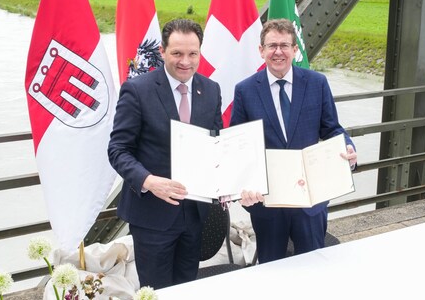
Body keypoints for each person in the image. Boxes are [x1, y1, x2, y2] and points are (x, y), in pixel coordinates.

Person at [108, 18, 261, 289]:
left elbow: (216, 146)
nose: (185, 61)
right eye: (177, 53)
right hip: (152, 217)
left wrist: (231, 180)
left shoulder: (211, 90)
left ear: (200, 52)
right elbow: (118, 149)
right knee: (156, 292)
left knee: (188, 288)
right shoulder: (138, 89)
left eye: (193, 53)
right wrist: (148, 181)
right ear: (163, 51)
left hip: (195, 215)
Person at [230, 18, 357, 264]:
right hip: (268, 203)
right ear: (261, 50)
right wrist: (241, 187)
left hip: (310, 200)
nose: (278, 52)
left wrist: (347, 146)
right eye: (272, 46)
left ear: (295, 50)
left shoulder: (317, 83)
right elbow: (238, 145)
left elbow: (332, 128)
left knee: (313, 267)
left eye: (285, 45)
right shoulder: (245, 90)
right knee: (272, 269)